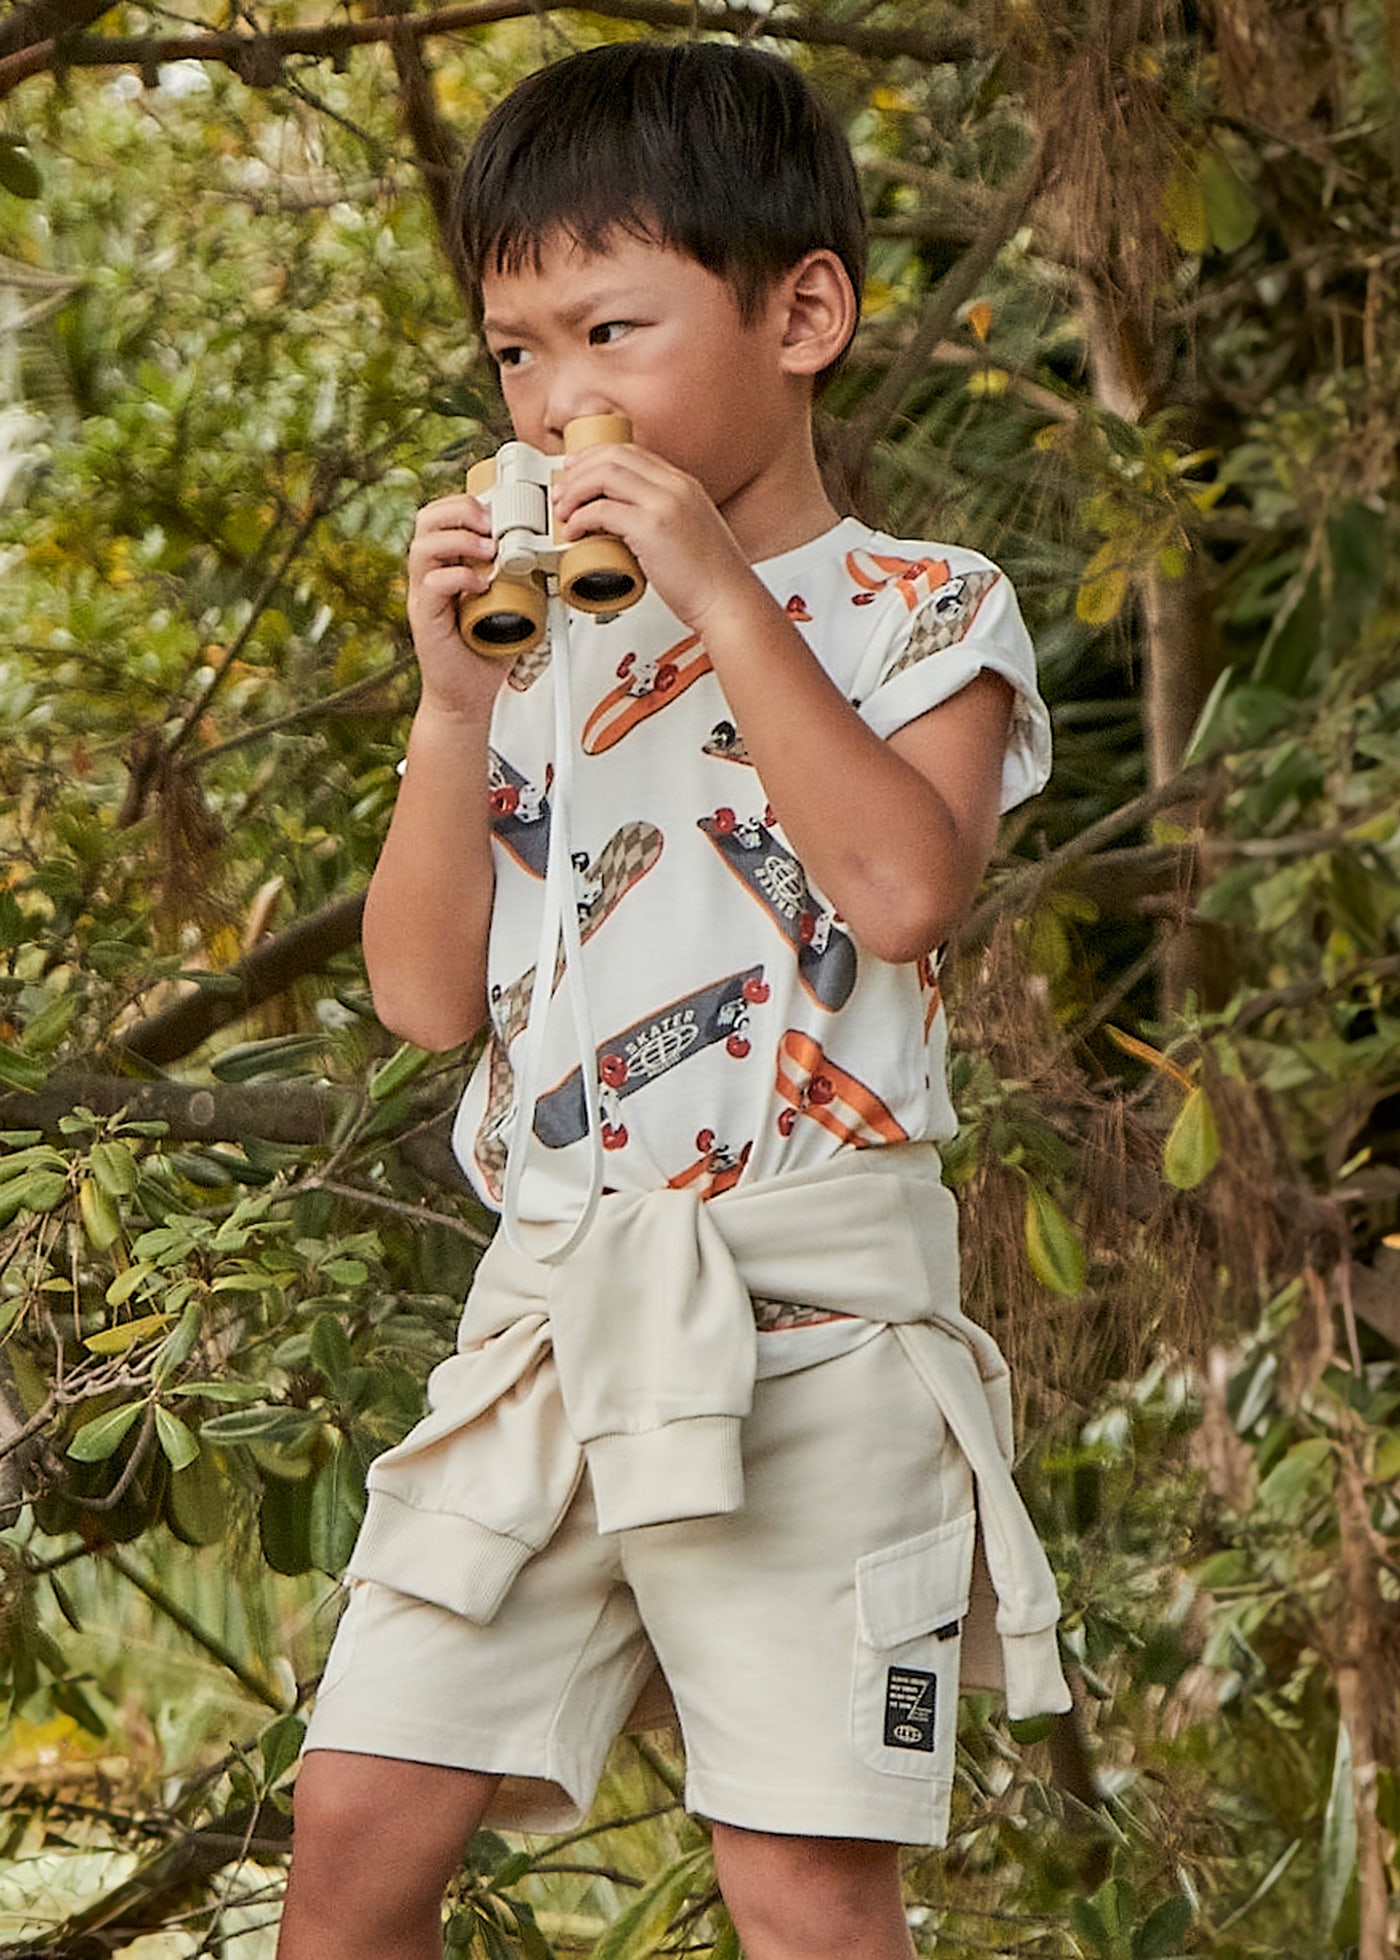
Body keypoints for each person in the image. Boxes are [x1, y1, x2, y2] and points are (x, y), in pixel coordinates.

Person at [277, 39, 1069, 1960]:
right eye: (516, 356)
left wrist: (723, 595)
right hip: (556, 1301)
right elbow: (418, 1001)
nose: (561, 402)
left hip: (814, 1319)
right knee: (358, 1822)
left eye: (611, 331)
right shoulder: (530, 639)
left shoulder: (922, 604)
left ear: (803, 313)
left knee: (797, 1881)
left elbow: (899, 889)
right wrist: (457, 704)